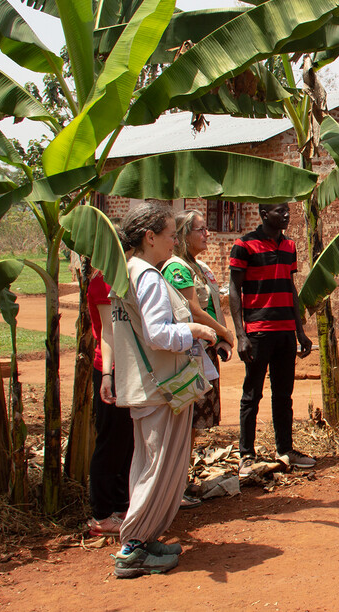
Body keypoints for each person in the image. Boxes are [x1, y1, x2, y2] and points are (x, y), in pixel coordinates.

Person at [109, 202, 219, 578]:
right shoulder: (150, 278)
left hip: (140, 384)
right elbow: (158, 334)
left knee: (146, 463)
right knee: (157, 469)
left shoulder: (125, 272)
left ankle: (143, 536)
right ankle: (133, 547)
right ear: (149, 237)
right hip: (161, 388)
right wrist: (197, 331)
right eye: (171, 234)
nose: (176, 240)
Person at [229, 203, 315, 476]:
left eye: (288, 211)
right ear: (265, 215)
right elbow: (234, 289)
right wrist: (241, 334)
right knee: (251, 394)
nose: (287, 216)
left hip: (285, 332)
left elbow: (290, 287)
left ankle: (285, 450)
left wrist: (300, 331)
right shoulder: (244, 245)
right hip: (258, 331)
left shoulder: (289, 246)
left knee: (283, 395)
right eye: (281, 212)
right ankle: (246, 455)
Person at [163, 210, 236, 507]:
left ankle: (182, 480)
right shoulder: (177, 268)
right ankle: (172, 487)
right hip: (187, 353)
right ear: (183, 235)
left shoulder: (200, 266)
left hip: (202, 350)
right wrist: (223, 332)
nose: (207, 234)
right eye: (200, 229)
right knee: (183, 420)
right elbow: (192, 309)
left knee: (192, 423)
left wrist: (217, 338)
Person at [85, 270, 132, 536]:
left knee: (127, 441)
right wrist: (106, 374)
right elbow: (107, 332)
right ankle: (102, 515)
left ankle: (121, 506)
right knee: (111, 441)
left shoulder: (123, 276)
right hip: (110, 370)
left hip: (126, 368)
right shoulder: (103, 281)